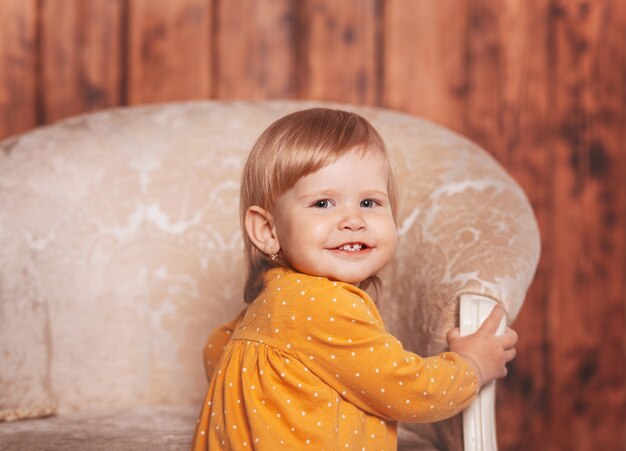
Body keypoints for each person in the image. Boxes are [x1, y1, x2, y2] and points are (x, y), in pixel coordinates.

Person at [191, 108, 517, 450]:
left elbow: (216, 348)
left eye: (369, 201)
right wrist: (473, 365)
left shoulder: (275, 299)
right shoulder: (324, 302)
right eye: (322, 203)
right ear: (268, 230)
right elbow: (407, 390)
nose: (353, 219)